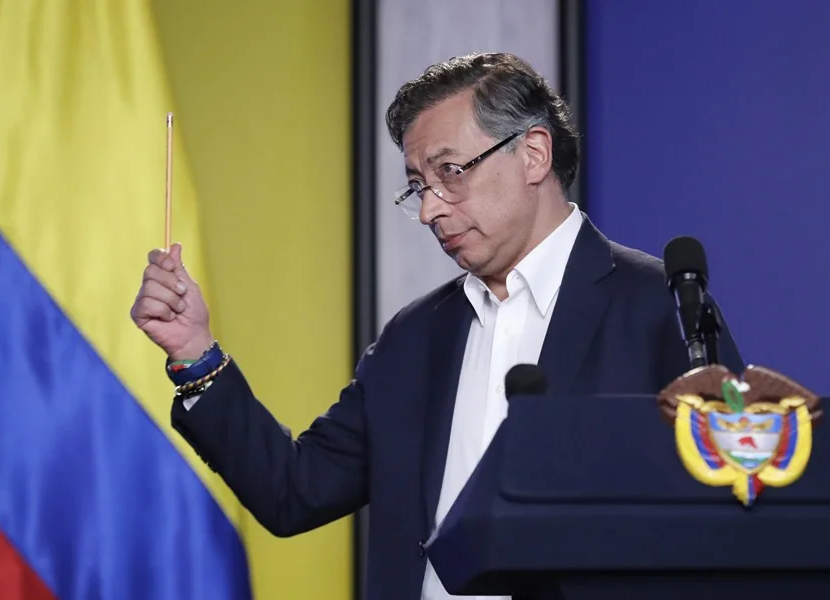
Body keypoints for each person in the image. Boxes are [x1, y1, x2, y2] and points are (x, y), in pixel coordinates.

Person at [129, 52, 744, 600]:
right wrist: (196, 355)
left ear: (533, 154)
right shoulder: (414, 337)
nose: (428, 210)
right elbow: (295, 490)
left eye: (450, 172)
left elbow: (733, 509)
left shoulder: (657, 307)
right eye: (417, 187)